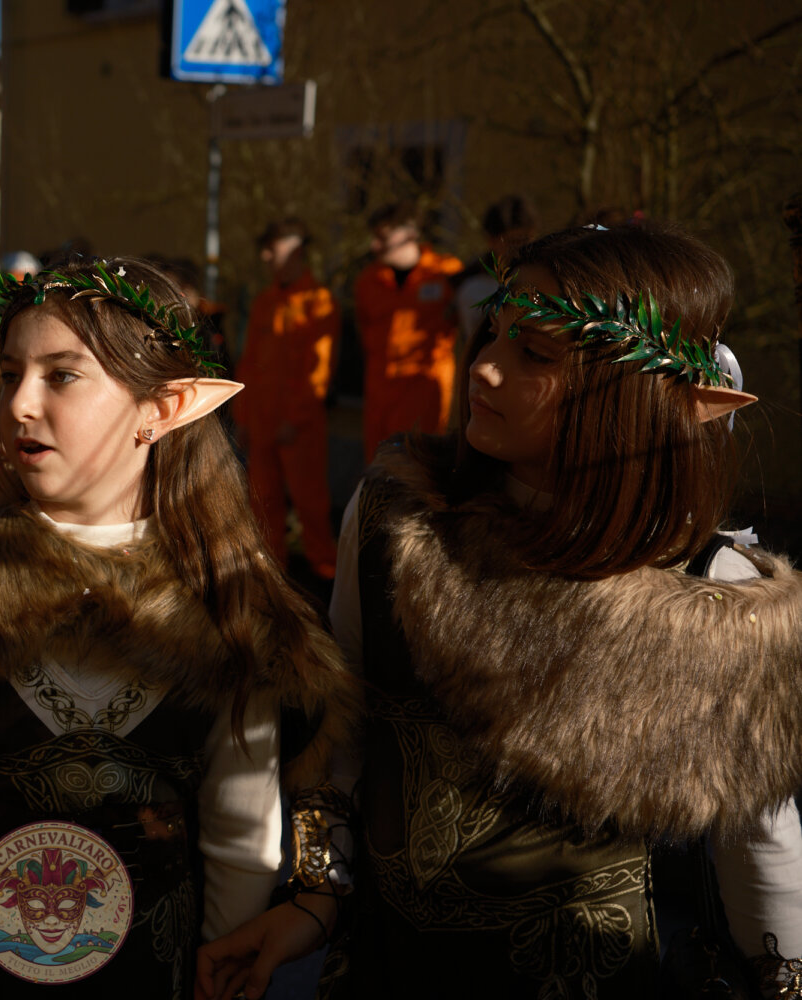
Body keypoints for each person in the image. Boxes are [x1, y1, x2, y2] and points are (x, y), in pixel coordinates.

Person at [199, 223, 802, 999]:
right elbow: (343, 732)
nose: (483, 366)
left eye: (536, 354)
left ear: (637, 392)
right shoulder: (395, 519)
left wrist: (786, 981)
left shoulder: (719, 599)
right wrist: (316, 896)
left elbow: (760, 848)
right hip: (391, 972)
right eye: (494, 333)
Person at [0, 257, 360, 1000]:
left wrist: (221, 971)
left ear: (161, 408)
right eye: (8, 374)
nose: (19, 403)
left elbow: (241, 834)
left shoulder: (229, 606)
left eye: (61, 376)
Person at [234, 218, 341, 579]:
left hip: (299, 427)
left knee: (311, 504)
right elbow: (248, 364)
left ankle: (326, 577)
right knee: (262, 504)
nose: (265, 256)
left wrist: (295, 419)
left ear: (295, 250)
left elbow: (319, 369)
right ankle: (270, 578)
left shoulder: (319, 301)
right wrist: (242, 418)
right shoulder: (264, 302)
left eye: (272, 248)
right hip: (261, 423)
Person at [352, 200, 462, 459]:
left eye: (382, 238)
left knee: (419, 467)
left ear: (410, 233)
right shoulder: (368, 281)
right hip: (379, 393)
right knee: (380, 466)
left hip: (424, 394)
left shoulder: (446, 273)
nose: (374, 246)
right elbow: (364, 332)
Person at [452, 194, 538, 341]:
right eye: (512, 242)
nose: (520, 249)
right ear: (491, 241)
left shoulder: (544, 282)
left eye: (525, 240)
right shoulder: (474, 291)